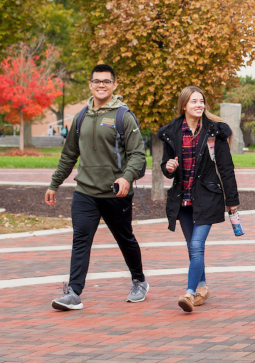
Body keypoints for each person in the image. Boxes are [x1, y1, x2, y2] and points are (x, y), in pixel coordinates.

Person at [46, 64, 148, 311]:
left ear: (114, 85)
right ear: (90, 85)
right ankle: (73, 293)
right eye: (96, 81)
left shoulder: (123, 116)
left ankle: (139, 280)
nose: (101, 85)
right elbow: (69, 154)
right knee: (81, 239)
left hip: (116, 192)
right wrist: (54, 184)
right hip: (85, 192)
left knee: (125, 239)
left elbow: (137, 154)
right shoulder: (80, 117)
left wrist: (126, 178)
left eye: (106, 81)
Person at [158, 86, 240, 313]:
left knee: (196, 246)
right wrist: (169, 167)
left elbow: (226, 168)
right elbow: (167, 167)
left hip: (207, 196)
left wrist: (231, 200)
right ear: (184, 105)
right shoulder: (172, 132)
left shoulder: (214, 132)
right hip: (182, 198)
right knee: (192, 247)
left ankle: (189, 292)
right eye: (194, 101)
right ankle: (202, 287)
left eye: (201, 101)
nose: (199, 105)